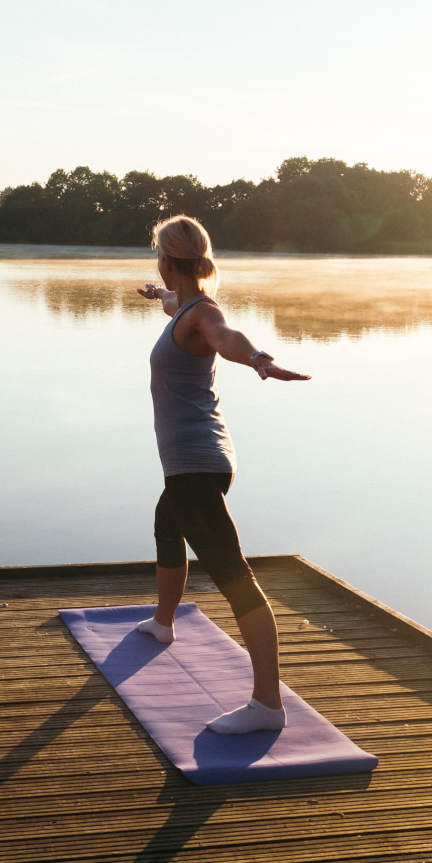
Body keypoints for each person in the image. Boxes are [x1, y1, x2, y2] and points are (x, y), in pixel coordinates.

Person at [135, 214, 311, 734]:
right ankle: (163, 625)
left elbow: (225, 335)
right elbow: (177, 305)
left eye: (158, 264)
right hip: (193, 462)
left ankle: (266, 706)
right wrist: (156, 294)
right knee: (167, 527)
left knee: (235, 577)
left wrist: (258, 358)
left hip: (196, 464)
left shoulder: (202, 314)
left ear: (169, 261)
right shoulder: (181, 306)